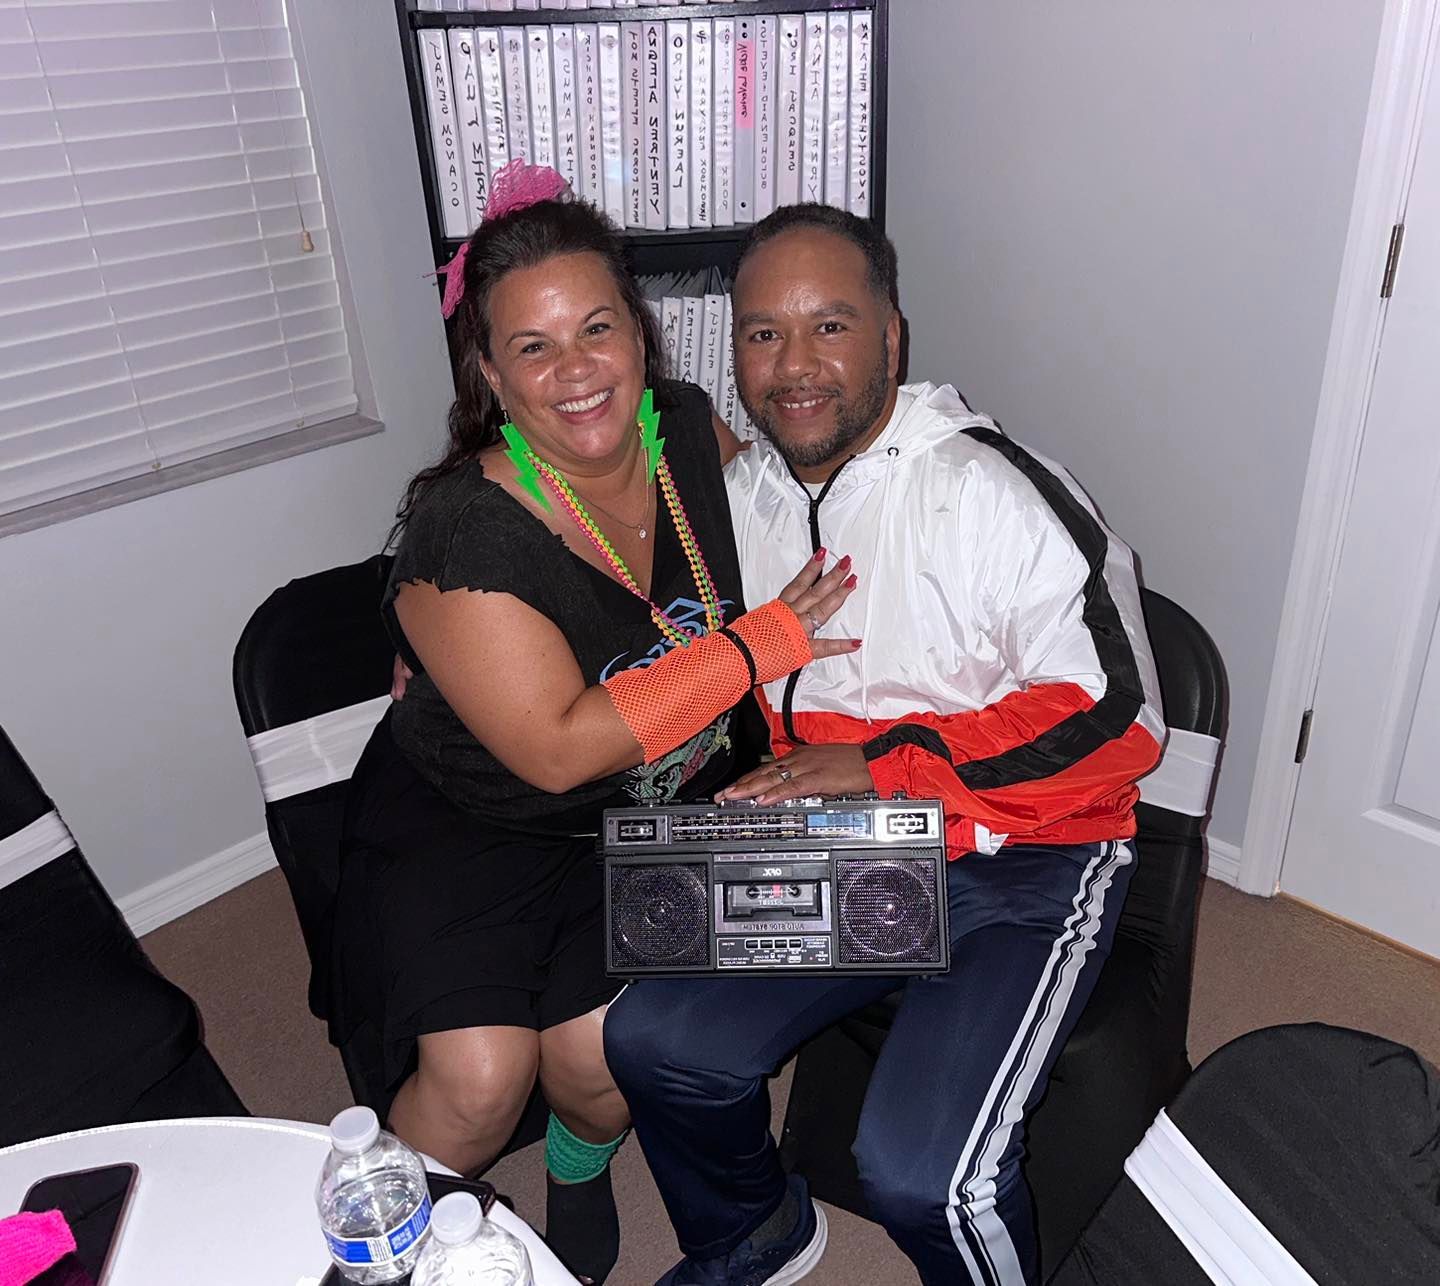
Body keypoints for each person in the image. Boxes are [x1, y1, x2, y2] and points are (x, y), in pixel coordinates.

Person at [603, 204, 1167, 1286]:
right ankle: (752, 1231)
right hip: (845, 840)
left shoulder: (990, 489)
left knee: (924, 1176)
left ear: (892, 339)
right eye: (763, 333)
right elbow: (637, 620)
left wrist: (885, 766)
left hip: (1026, 854)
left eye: (830, 325)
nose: (794, 366)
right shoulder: (739, 500)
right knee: (653, 1042)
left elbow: (1122, 716)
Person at [330, 169, 858, 1286]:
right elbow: (558, 749)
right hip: (484, 816)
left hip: (653, 805)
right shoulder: (465, 532)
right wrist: (755, 647)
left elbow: (797, 515)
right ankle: (379, 1252)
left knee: (598, 1061)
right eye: (533, 346)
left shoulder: (688, 430)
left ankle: (577, 1164)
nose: (575, 369)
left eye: (597, 328)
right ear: (490, 373)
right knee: (478, 1084)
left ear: (640, 333)